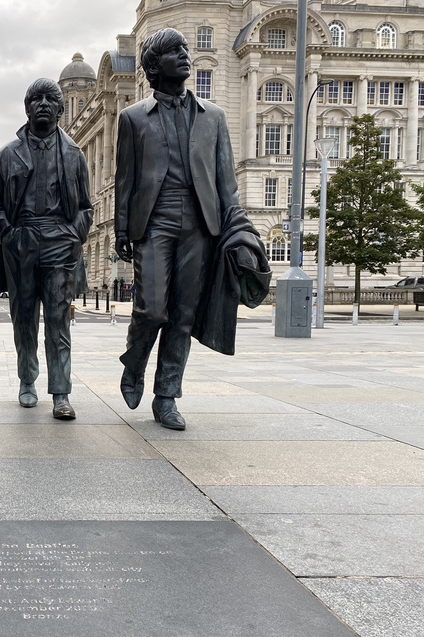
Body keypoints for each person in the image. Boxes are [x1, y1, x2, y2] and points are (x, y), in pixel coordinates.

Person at [114, 27, 253, 431]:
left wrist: (237, 230)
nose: (186, 55)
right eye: (176, 51)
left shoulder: (214, 117)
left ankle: (167, 395)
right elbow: (126, 179)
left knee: (183, 315)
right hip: (153, 221)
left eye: (187, 48)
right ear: (155, 66)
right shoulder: (133, 118)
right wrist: (123, 228)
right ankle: (135, 361)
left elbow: (227, 183)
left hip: (200, 224)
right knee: (151, 309)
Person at [0, 78, 92, 420]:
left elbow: (86, 209)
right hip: (22, 242)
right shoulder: (6, 156)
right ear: (27, 108)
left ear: (61, 110)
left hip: (59, 243)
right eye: (37, 99)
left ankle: (61, 392)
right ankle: (27, 380)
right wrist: (8, 234)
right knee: (24, 319)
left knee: (59, 321)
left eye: (51, 99)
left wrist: (72, 235)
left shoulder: (75, 155)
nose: (43, 104)